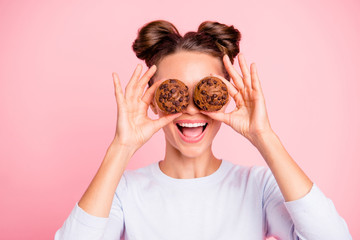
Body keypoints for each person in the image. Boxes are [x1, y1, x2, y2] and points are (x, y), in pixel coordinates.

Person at [55, 20, 352, 240]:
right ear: (153, 101)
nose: (192, 109)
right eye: (175, 93)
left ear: (226, 98)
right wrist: (121, 148)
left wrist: (265, 137)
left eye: (205, 92)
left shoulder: (258, 187)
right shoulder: (122, 192)